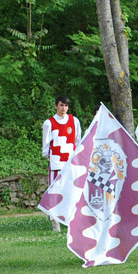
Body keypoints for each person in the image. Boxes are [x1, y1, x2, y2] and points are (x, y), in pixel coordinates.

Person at [41, 95, 82, 232]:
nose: (63, 108)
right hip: (56, 162)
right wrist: (49, 157)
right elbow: (46, 145)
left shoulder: (74, 121)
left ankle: (70, 219)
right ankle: (54, 220)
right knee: (54, 191)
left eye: (66, 105)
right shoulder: (49, 123)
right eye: (61, 105)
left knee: (72, 191)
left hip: (70, 163)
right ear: (56, 106)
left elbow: (77, 141)